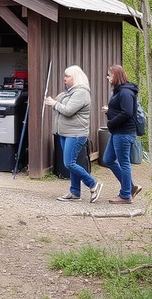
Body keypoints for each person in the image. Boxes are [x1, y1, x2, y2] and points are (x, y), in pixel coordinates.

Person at [44, 65, 103, 203]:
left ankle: (93, 184)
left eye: (67, 76)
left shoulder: (81, 92)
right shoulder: (70, 92)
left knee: (69, 163)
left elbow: (68, 110)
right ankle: (75, 192)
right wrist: (52, 101)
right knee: (73, 162)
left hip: (76, 134)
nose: (64, 78)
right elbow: (61, 102)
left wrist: (54, 103)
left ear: (75, 78)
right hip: (66, 133)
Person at [102, 65, 143, 204]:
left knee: (124, 162)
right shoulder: (120, 91)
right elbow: (122, 110)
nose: (108, 78)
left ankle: (125, 195)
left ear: (116, 76)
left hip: (124, 132)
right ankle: (131, 186)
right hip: (117, 132)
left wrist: (111, 122)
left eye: (110, 75)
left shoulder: (125, 92)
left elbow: (127, 113)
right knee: (108, 159)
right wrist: (109, 111)